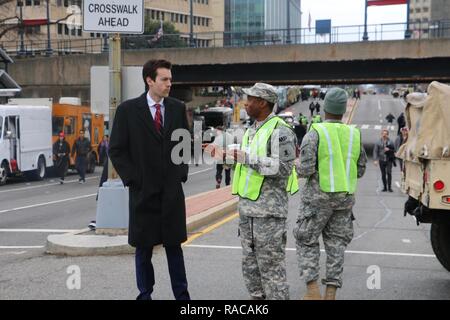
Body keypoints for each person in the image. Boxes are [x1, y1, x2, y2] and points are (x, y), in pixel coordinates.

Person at [109, 59, 191, 300]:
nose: (169, 84)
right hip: (143, 192)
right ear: (149, 80)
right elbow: (116, 149)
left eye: (170, 79)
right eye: (164, 79)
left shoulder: (177, 108)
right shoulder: (127, 110)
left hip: (171, 193)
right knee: (143, 250)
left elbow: (184, 143)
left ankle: (182, 297)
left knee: (174, 248)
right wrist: (134, 180)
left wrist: (180, 175)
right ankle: (145, 294)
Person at [293, 88, 367, 300]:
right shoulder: (354, 134)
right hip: (344, 199)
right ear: (344, 110)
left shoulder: (315, 132)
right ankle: (331, 293)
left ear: (324, 108)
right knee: (336, 245)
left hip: (317, 199)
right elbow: (360, 170)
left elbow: (305, 169)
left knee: (306, 239)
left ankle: (312, 291)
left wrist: (296, 164)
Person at [227, 83, 299, 300]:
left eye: (250, 99)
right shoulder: (252, 129)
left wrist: (247, 158)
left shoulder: (282, 131)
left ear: (263, 103)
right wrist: (229, 157)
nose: (245, 103)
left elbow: (284, 168)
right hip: (248, 212)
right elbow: (249, 166)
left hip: (268, 215)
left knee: (271, 272)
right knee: (251, 270)